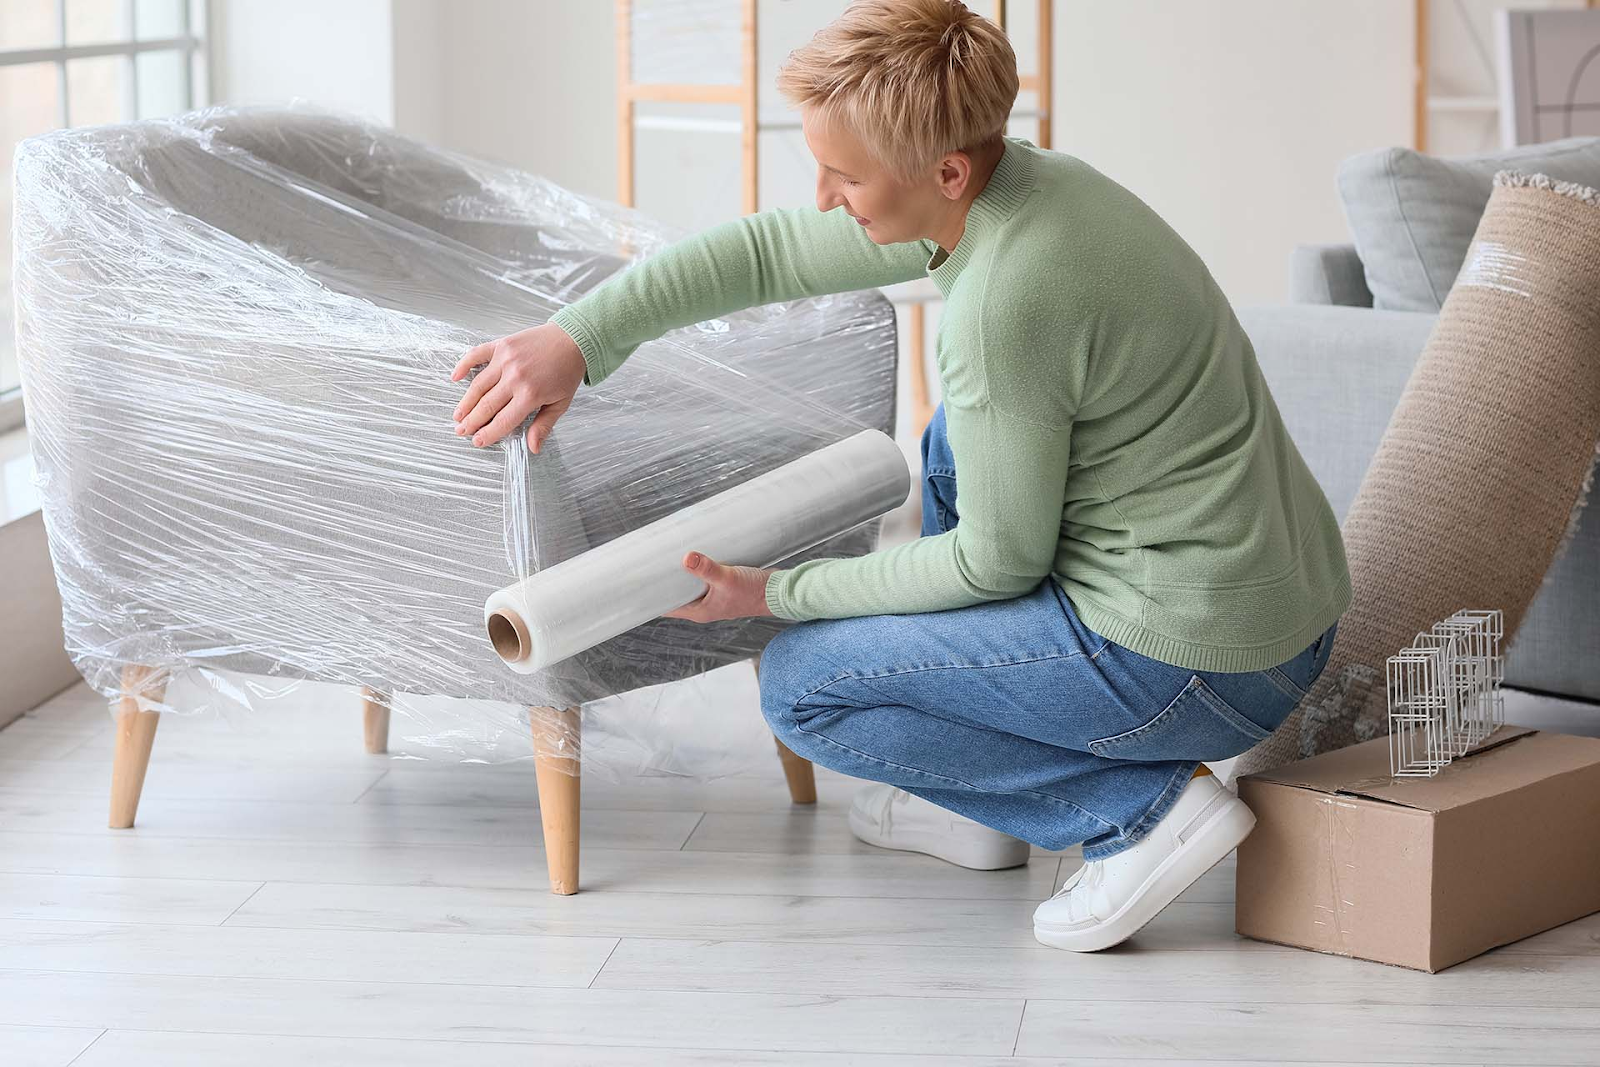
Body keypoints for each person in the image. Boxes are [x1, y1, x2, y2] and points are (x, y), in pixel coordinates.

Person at [448, 0, 1349, 953]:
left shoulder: (1005, 304)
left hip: (1199, 663)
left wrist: (776, 593)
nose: (827, 196)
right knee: (956, 436)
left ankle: (1137, 817)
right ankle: (981, 808)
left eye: (845, 176)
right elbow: (766, 251)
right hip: (1261, 606)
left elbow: (993, 566)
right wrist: (580, 337)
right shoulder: (1020, 186)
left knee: (804, 685)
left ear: (943, 171)